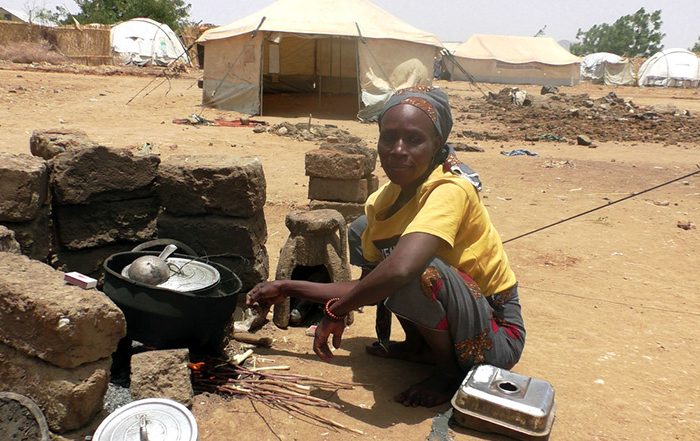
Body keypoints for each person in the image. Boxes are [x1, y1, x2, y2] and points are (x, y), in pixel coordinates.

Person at [247, 86, 525, 408]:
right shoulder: (383, 200)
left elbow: (402, 271)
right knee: (373, 246)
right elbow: (369, 286)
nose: (397, 149)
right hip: (457, 313)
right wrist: (286, 286)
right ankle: (419, 347)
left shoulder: (451, 188)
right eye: (388, 137)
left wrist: (337, 309)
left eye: (414, 140)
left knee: (412, 268)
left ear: (437, 145)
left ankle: (449, 374)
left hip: (496, 335)